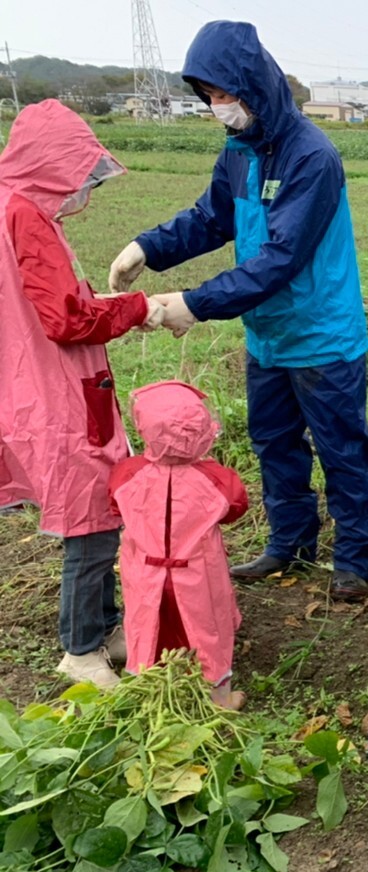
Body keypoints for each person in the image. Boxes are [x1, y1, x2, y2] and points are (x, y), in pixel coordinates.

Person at [107, 21, 368, 602]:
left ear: (253, 85)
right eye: (208, 96)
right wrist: (147, 248)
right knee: (275, 441)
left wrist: (193, 304)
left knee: (341, 447)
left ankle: (354, 557)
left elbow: (281, 258)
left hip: (320, 333)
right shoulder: (239, 151)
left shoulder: (313, 157)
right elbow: (211, 218)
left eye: (223, 93)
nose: (217, 106)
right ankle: (291, 542)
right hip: (270, 335)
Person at [0, 100, 164, 688]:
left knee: (99, 510)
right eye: (79, 176)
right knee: (90, 519)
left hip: (36, 385)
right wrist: (140, 306)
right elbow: (67, 319)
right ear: (50, 167)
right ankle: (81, 648)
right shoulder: (23, 217)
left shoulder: (14, 209)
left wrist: (117, 310)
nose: (82, 191)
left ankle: (107, 625)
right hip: (56, 394)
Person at [110, 381, 249, 709]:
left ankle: (145, 687)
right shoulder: (217, 478)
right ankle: (219, 695)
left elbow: (116, 505)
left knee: (145, 619)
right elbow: (236, 508)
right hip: (197, 570)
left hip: (145, 567)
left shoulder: (127, 473)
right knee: (207, 625)